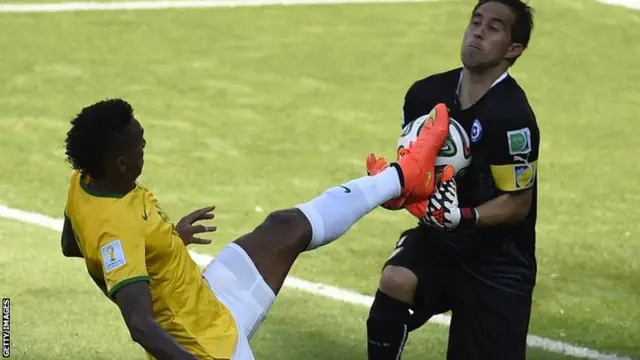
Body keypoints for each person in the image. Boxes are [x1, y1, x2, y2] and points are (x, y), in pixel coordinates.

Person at [60, 98, 451, 360]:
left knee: (287, 226)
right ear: (121, 163)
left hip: (208, 296)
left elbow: (71, 244)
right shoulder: (117, 232)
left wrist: (162, 244)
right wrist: (130, 251)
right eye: (139, 145)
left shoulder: (83, 181)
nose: (146, 146)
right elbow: (141, 325)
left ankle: (405, 177)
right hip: (208, 346)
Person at [364, 0, 539, 359]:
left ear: (513, 49)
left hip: (498, 261)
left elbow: (518, 203)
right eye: (476, 21)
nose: (478, 30)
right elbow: (418, 170)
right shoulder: (425, 95)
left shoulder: (512, 116)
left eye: (494, 27)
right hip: (441, 240)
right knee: (396, 280)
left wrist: (464, 216)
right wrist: (396, 189)